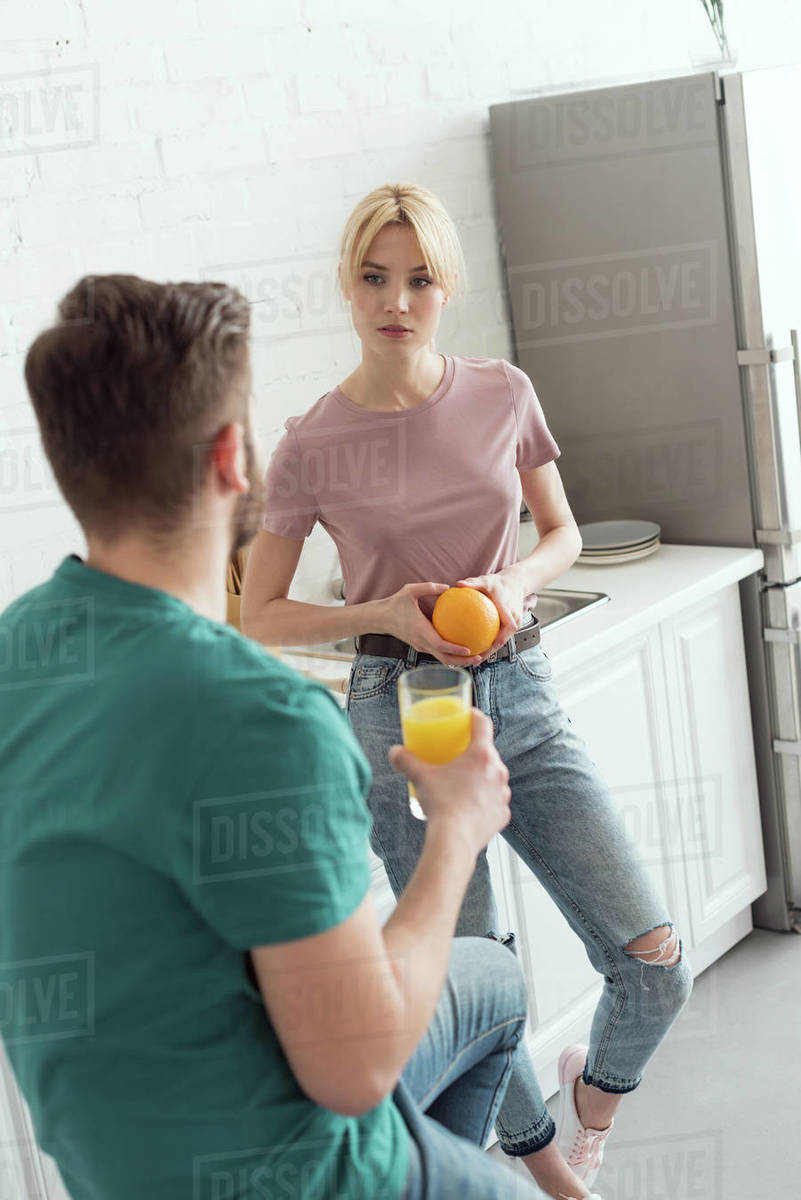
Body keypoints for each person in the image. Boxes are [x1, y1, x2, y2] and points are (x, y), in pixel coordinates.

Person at [0, 274, 564, 1200]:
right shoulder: (261, 718)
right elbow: (357, 1071)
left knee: (489, 980)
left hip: (111, 1171)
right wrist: (457, 830)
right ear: (231, 457)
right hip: (294, 1177)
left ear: (69, 466)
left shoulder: (20, 648)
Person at [241, 183, 695, 1200]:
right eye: (374, 277)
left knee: (654, 961)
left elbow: (563, 533)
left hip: (520, 689)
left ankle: (593, 1105)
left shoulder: (502, 393)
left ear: (447, 288)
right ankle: (554, 1179)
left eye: (419, 279)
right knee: (476, 978)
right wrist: (383, 614)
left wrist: (515, 582)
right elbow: (257, 614)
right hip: (404, 716)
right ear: (347, 285)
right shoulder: (313, 441)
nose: (395, 301)